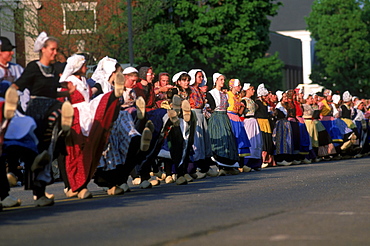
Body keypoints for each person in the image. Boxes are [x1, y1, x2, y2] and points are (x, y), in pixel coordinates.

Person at [11, 32, 75, 206]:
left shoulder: (53, 71)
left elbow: (52, 92)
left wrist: (66, 93)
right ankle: (37, 193)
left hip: (51, 106)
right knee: (37, 150)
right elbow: (19, 85)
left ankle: (40, 193)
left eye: (56, 50)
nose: (55, 53)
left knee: (46, 151)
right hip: (37, 109)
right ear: (44, 50)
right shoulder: (34, 67)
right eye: (52, 49)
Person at [206, 73, 239, 175]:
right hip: (216, 118)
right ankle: (220, 165)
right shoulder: (211, 93)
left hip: (224, 117)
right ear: (215, 80)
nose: (222, 82)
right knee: (220, 139)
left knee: (228, 140)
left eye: (223, 80)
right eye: (220, 79)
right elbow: (209, 107)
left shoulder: (224, 94)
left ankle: (228, 166)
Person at [226, 79, 251, 172]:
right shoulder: (227, 94)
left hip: (236, 118)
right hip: (230, 117)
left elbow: (239, 113)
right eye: (238, 85)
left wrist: (242, 107)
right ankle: (233, 164)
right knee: (233, 140)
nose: (240, 87)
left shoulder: (238, 97)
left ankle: (241, 164)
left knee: (240, 140)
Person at [240, 83, 263, 170]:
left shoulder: (252, 100)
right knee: (251, 140)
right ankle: (247, 163)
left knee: (257, 141)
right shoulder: (244, 101)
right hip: (248, 122)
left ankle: (255, 163)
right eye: (252, 89)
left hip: (254, 121)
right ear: (247, 90)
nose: (253, 91)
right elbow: (241, 112)